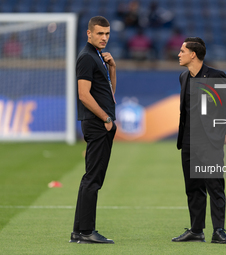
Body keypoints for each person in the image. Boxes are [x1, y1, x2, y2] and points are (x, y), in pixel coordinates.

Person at [172, 37, 226, 244]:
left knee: (214, 185)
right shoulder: (183, 77)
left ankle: (219, 230)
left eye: (182, 51)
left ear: (193, 54)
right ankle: (196, 230)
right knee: (192, 187)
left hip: (210, 140)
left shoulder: (216, 76)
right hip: (189, 141)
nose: (179, 54)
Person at [70, 16, 117, 244]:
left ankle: (79, 231)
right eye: (100, 33)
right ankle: (86, 231)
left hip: (101, 122)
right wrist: (106, 118)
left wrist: (113, 69)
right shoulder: (87, 57)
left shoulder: (98, 56)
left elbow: (109, 94)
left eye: (107, 34)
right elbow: (83, 94)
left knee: (91, 178)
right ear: (89, 33)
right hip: (97, 124)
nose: (104, 38)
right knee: (93, 179)